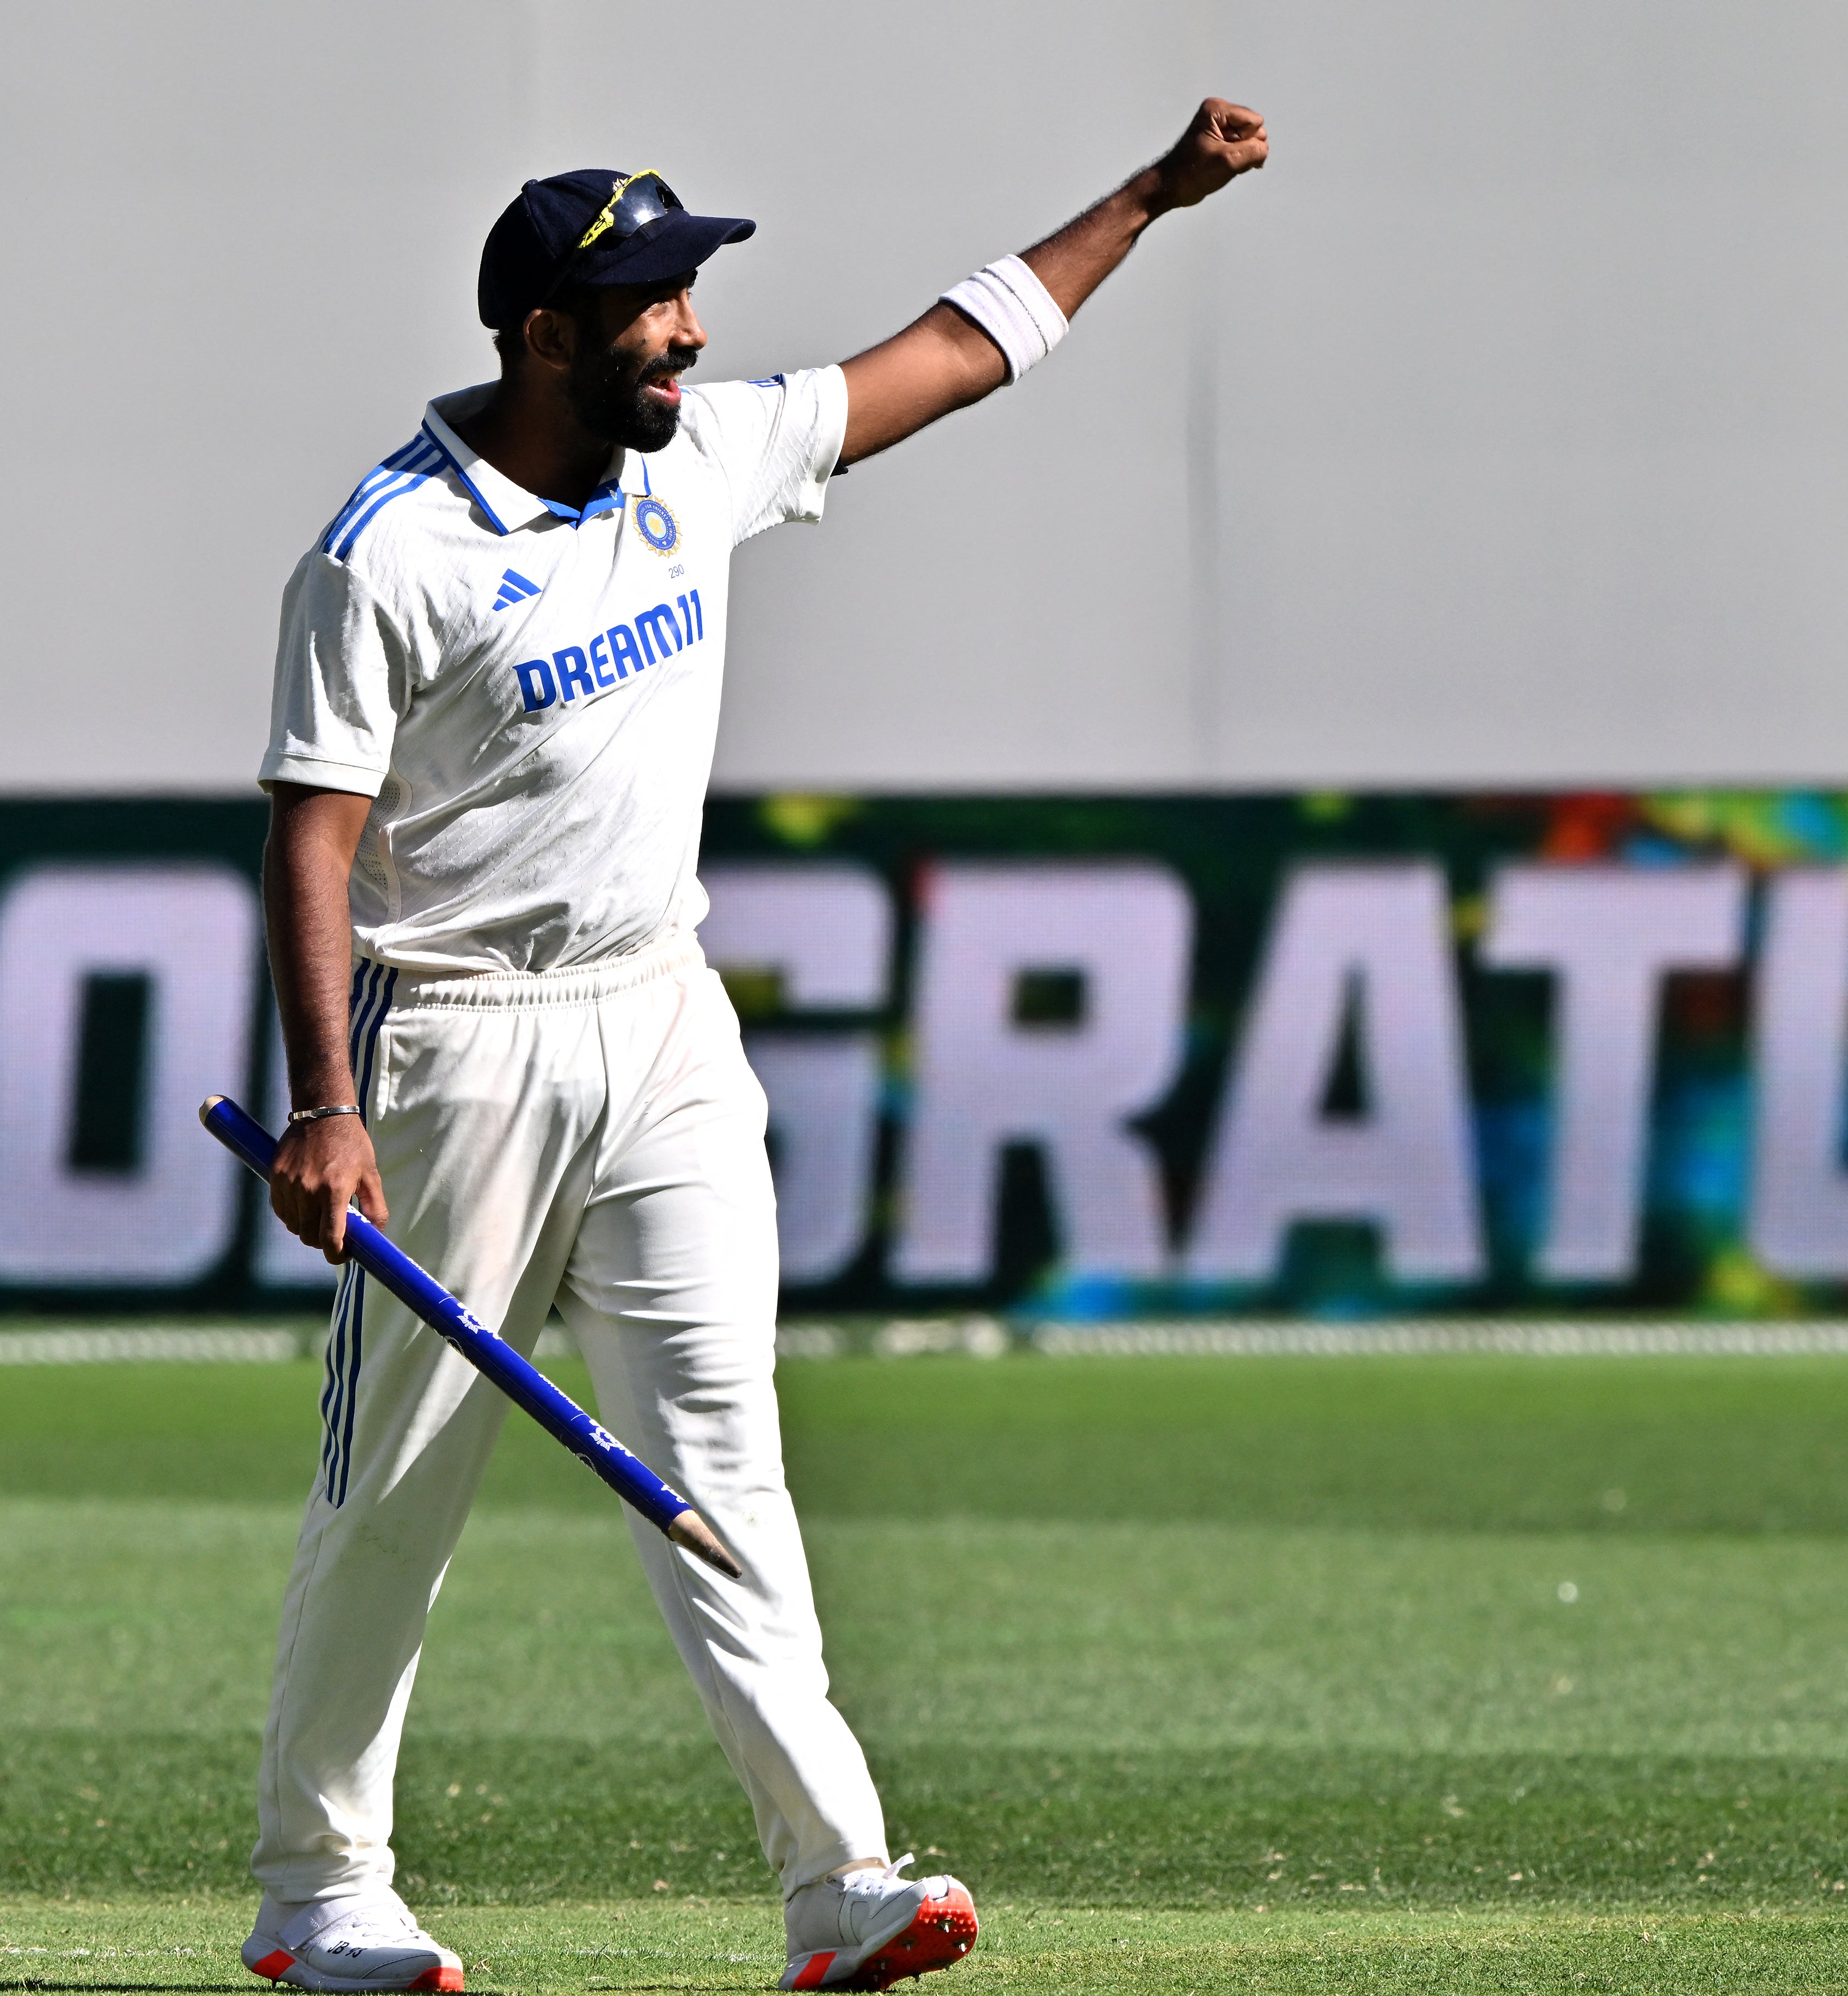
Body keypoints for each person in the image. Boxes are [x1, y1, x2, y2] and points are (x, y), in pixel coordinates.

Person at [245, 98, 1270, 1995]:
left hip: (663, 1018)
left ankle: (836, 1877)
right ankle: (318, 1890)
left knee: (724, 1452)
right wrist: (326, 1104)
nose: (692, 330)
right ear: (547, 336)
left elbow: (955, 355)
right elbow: (312, 828)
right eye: (651, 303)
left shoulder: (693, 457)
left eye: (690, 293)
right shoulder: (388, 551)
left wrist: (1148, 196)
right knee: (400, 1480)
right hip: (454, 1043)